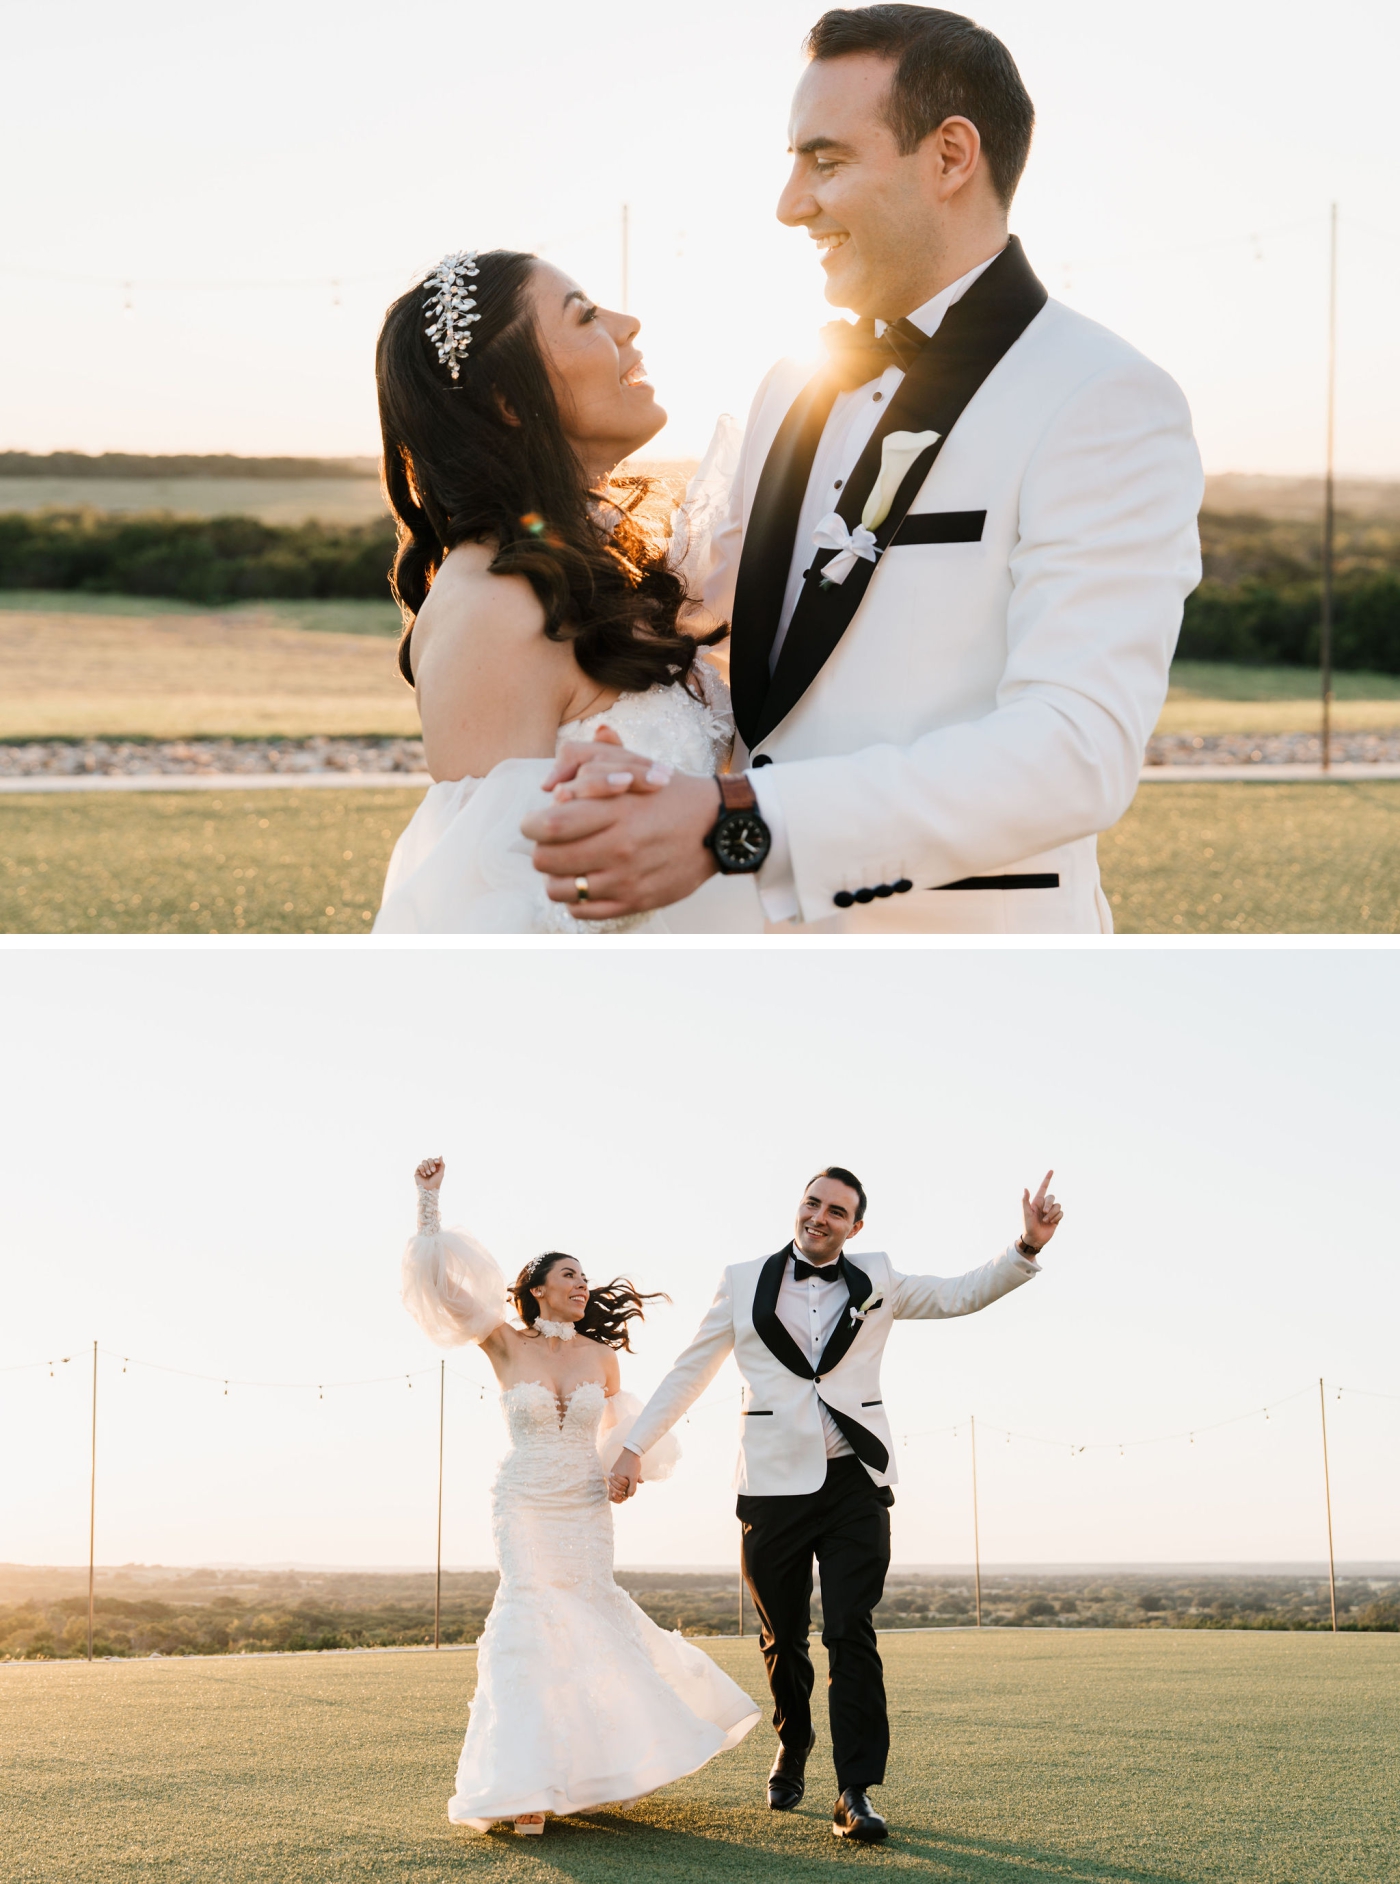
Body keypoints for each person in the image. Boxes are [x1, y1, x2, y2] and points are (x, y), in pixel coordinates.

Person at [525, 3, 1204, 933]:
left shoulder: (1102, 397)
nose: (789, 203)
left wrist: (738, 825)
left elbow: (1074, 753)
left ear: (951, 156)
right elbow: (744, 655)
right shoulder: (790, 385)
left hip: (968, 967)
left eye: (826, 160)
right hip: (751, 957)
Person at [608, 1165, 1063, 1844]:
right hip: (772, 1485)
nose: (819, 1217)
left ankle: (855, 1791)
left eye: (836, 1211)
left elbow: (959, 1294)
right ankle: (794, 1739)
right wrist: (634, 1446)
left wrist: (1025, 1247)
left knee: (851, 1629)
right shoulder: (742, 1280)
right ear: (800, 1207)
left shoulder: (877, 1277)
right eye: (812, 1203)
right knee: (782, 1634)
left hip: (855, 1480)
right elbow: (689, 1371)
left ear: (856, 1226)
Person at [371, 250, 757, 932]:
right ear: (509, 402)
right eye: (585, 316)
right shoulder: (495, 609)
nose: (627, 323)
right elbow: (497, 911)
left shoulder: (590, 566)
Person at [400, 1157, 759, 1833]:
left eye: (584, 1277)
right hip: (526, 1501)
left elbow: (624, 1433)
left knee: (590, 1622)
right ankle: (524, 1787)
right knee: (529, 1622)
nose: (582, 1284)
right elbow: (441, 1290)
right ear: (536, 1289)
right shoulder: (504, 1344)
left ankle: (598, 1767)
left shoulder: (602, 1356)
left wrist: (625, 1472)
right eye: (569, 1275)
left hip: (585, 1506)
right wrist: (428, 1202)